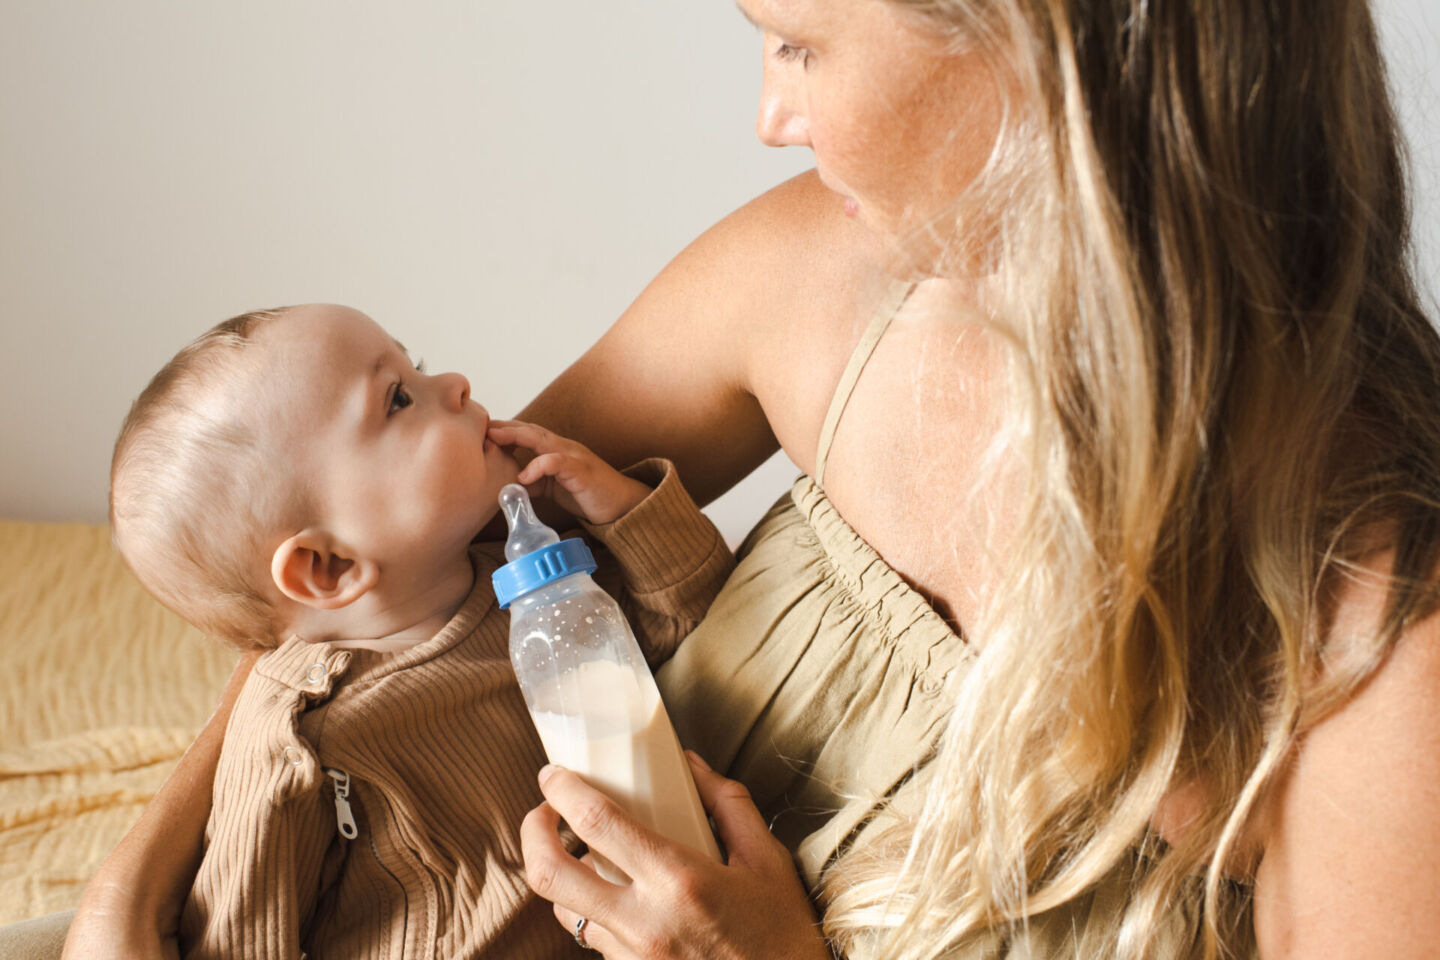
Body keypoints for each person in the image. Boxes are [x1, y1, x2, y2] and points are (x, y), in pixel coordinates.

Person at [54, 0, 1440, 957]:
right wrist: (139, 874)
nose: (772, 115)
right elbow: (355, 573)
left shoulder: (1376, 652)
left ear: (1044, 51)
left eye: (800, 42)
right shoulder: (827, 274)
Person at [104, 303, 735, 959]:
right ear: (329, 565)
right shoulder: (295, 738)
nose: (456, 383)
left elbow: (690, 625)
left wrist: (622, 511)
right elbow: (239, 939)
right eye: (400, 398)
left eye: (419, 368)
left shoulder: (539, 588)